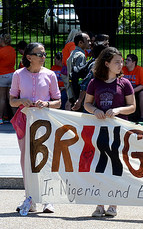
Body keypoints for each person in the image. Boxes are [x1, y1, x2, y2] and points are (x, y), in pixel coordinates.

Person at [84, 47, 135, 218]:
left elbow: (132, 107)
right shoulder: (94, 82)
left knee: (115, 166)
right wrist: (95, 110)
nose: (121, 64)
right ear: (106, 64)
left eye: (121, 61)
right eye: (116, 62)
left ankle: (113, 204)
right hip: (99, 130)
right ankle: (99, 204)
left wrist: (119, 110)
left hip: (119, 130)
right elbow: (87, 104)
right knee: (99, 165)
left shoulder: (125, 83)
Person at [9, 42, 61, 214]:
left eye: (44, 54)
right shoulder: (18, 74)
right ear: (29, 57)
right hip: (24, 120)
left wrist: (46, 103)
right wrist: (21, 101)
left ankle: (48, 199)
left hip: (44, 122)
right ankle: (29, 198)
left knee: (45, 159)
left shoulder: (50, 74)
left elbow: (58, 102)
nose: (43, 57)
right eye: (40, 54)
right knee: (26, 159)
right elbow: (11, 100)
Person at [123, 53, 143, 121]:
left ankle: (142, 117)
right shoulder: (123, 69)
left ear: (134, 62)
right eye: (126, 59)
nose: (126, 61)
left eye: (128, 60)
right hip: (127, 89)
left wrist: (132, 91)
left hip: (139, 88)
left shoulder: (140, 70)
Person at [66, 32, 90, 106]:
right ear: (80, 43)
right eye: (88, 41)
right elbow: (79, 75)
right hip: (76, 90)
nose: (90, 43)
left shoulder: (73, 53)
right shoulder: (80, 55)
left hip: (71, 89)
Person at [0, 33, 16, 123]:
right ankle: (14, 117)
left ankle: (0, 118)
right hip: (11, 74)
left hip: (2, 75)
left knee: (2, 98)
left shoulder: (1, 51)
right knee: (11, 97)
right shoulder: (12, 50)